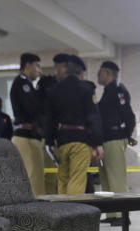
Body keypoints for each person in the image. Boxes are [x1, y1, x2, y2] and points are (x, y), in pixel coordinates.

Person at [45, 55, 103, 194]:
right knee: (77, 179)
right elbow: (93, 117)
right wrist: (97, 143)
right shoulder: (87, 88)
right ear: (82, 73)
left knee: (63, 179)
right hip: (81, 141)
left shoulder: (54, 90)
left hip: (62, 140)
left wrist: (50, 142)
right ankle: (74, 213)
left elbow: (50, 119)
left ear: (65, 71)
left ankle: (63, 213)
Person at [97, 60, 136, 223]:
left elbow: (129, 116)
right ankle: (112, 213)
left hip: (115, 138)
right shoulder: (107, 91)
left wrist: (127, 135)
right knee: (106, 179)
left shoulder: (119, 90)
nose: (98, 75)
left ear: (107, 73)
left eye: (100, 72)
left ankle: (123, 215)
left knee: (117, 178)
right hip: (105, 139)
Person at [10, 52, 46, 194]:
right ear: (28, 65)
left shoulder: (27, 83)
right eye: (37, 66)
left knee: (35, 178)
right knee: (33, 180)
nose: (40, 70)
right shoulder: (22, 83)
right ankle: (35, 214)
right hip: (26, 137)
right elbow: (33, 108)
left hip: (29, 136)